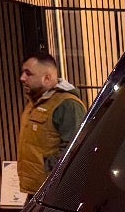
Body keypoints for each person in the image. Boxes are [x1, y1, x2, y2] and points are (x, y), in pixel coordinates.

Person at [17, 52, 86, 196]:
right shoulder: (36, 102)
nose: (22, 78)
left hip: (56, 191)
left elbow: (74, 148)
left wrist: (49, 170)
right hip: (38, 190)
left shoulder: (68, 104)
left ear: (47, 78)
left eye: (28, 73)